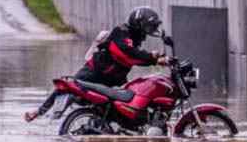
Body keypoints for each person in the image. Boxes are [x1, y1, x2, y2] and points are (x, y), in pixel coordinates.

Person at [23, 7, 168, 122]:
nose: (151, 30)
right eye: (149, 26)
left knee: (127, 106)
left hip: (113, 80)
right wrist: (152, 59)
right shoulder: (121, 32)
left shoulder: (133, 39)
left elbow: (134, 54)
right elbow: (127, 54)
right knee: (68, 86)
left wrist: (155, 57)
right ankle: (38, 111)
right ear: (139, 24)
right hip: (94, 74)